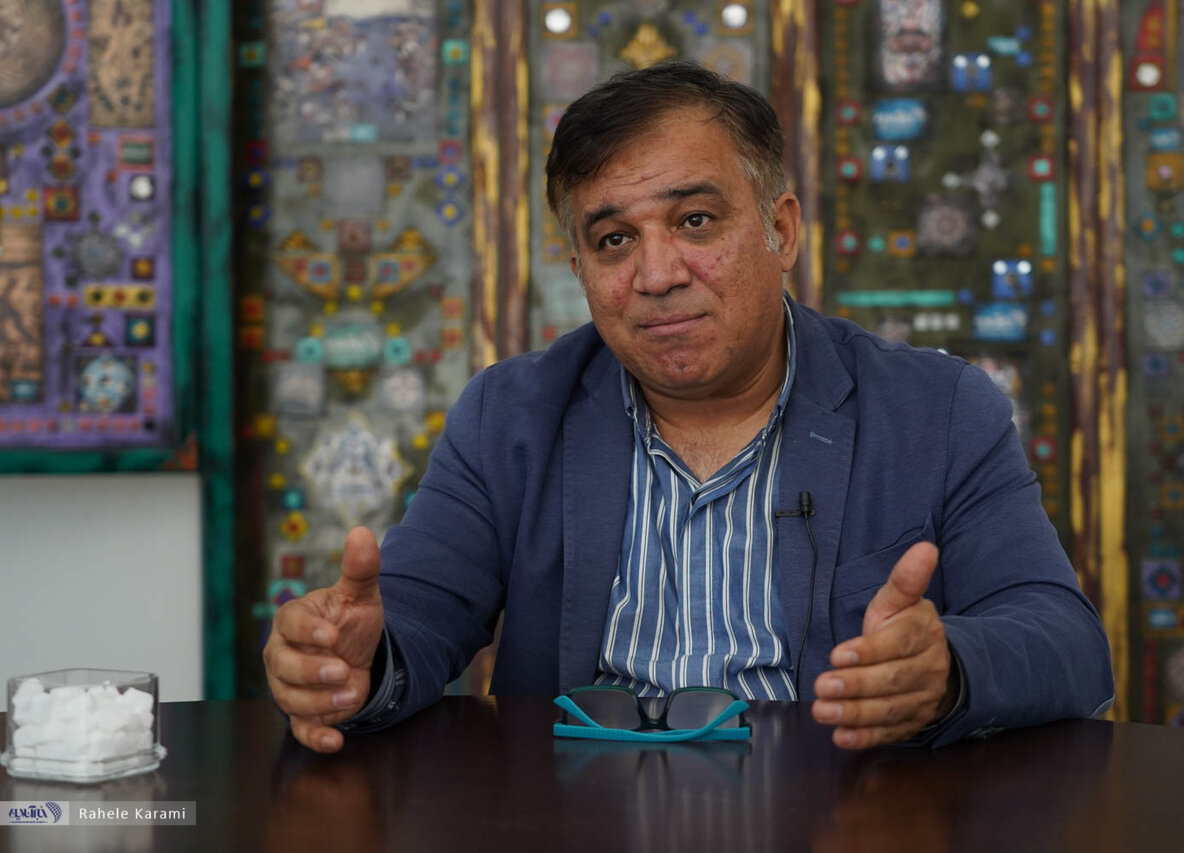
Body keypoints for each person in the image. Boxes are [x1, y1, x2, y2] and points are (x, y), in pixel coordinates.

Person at [264, 61, 1114, 754]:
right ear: (581, 270)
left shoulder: (937, 409)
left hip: (836, 818)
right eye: (614, 240)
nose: (658, 273)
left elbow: (1066, 642)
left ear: (781, 230)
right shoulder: (511, 416)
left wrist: (945, 670)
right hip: (574, 821)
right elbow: (412, 613)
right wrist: (352, 663)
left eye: (696, 220)